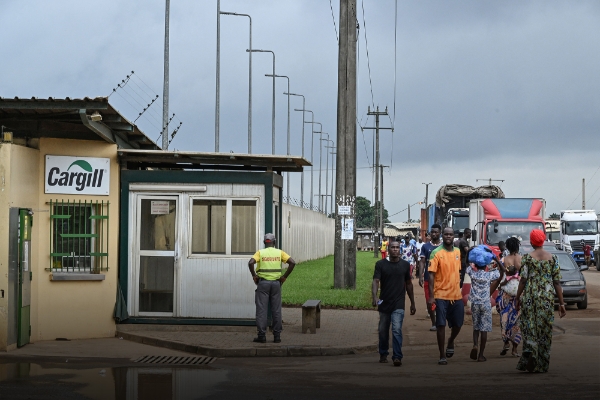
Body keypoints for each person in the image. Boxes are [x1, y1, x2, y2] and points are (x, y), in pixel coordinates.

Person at [515, 229, 566, 373]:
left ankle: (532, 351)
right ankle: (542, 363)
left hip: (530, 297)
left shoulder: (527, 258)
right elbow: (557, 283)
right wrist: (561, 304)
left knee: (529, 327)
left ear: (531, 242)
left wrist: (518, 297)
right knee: (544, 330)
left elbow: (523, 280)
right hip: (547, 299)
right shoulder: (553, 258)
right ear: (543, 241)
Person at [372, 241, 416, 366]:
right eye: (393, 247)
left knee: (396, 329)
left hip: (398, 303)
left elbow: (408, 284)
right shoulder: (380, 264)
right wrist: (374, 296)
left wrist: (412, 303)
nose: (395, 249)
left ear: (400, 249)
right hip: (384, 302)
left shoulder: (405, 265)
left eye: (397, 247)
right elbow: (376, 281)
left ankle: (397, 356)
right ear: (388, 249)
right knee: (383, 330)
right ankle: (383, 353)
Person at [248, 233, 296, 344]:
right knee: (276, 310)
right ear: (274, 242)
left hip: (263, 284)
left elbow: (250, 262)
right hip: (276, 284)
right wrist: (284, 277)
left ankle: (262, 336)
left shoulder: (260, 252)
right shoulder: (280, 253)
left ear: (265, 242)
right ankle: (277, 336)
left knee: (261, 310)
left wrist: (254, 276)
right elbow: (292, 262)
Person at [427, 227, 463, 365]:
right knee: (440, 324)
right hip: (440, 294)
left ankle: (451, 340)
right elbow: (431, 275)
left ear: (454, 236)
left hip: (456, 295)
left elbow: (458, 271)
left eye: (451, 234)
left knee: (458, 324)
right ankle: (442, 355)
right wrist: (431, 296)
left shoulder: (458, 252)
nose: (448, 236)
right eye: (446, 234)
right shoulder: (436, 253)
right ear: (443, 236)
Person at [466, 245, 504, 362]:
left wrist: (469, 251)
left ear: (475, 264)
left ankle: (475, 345)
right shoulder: (489, 275)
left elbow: (466, 263)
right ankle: (481, 355)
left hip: (475, 304)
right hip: (486, 304)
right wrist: (495, 258)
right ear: (486, 265)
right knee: (484, 329)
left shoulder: (472, 273)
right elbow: (501, 272)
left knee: (476, 328)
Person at [494, 237, 522, 357]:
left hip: (506, 292)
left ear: (508, 247)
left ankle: (505, 342)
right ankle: (515, 349)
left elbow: (500, 275)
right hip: (519, 293)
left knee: (504, 318)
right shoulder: (522, 259)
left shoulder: (504, 259)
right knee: (517, 321)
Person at [418, 224, 442, 331]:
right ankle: (434, 323)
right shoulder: (425, 247)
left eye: (436, 232)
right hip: (428, 278)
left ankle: (440, 322)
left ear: (440, 233)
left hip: (442, 280)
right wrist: (420, 275)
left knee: (441, 302)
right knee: (429, 301)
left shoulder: (444, 246)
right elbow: (422, 262)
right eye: (432, 232)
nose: (434, 234)